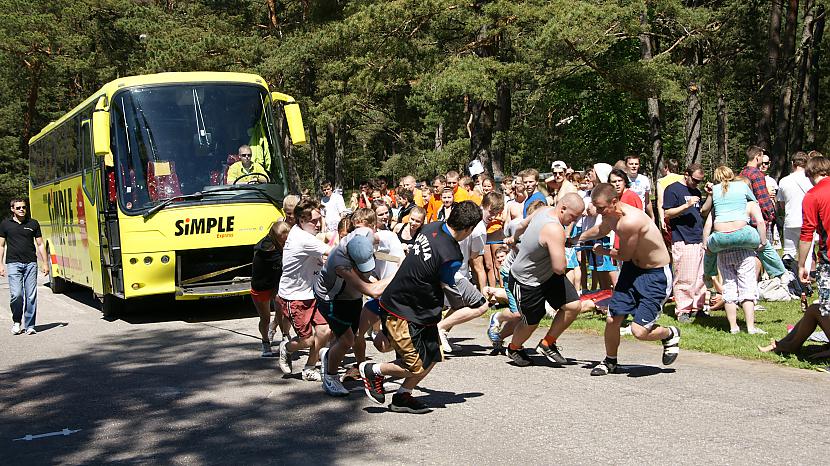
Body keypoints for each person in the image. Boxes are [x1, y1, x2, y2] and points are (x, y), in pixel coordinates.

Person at [359, 201, 483, 414]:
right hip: (402, 310)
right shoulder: (452, 256)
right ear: (469, 229)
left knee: (433, 354)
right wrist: (468, 300)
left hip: (420, 310)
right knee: (413, 365)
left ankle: (402, 396)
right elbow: (449, 287)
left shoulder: (431, 226)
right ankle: (372, 370)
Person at [578, 183, 681, 376]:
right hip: (632, 270)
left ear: (614, 202)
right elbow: (600, 229)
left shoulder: (630, 221)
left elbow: (623, 255)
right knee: (612, 318)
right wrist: (577, 238)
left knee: (639, 332)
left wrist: (603, 251)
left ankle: (670, 333)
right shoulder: (610, 215)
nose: (598, 212)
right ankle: (610, 361)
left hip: (655, 275)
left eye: (601, 207)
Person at [502, 194, 586, 366]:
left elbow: (522, 225)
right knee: (531, 321)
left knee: (573, 306)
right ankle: (513, 348)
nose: (573, 222)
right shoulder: (555, 229)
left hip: (547, 275)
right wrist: (560, 246)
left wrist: (515, 237)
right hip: (526, 280)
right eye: (572, 217)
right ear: (562, 208)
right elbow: (560, 268)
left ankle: (547, 343)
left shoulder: (544, 210)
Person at [759, 155, 830, 359]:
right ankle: (786, 345)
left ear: (809, 174)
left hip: (828, 259)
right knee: (815, 310)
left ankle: (787, 345)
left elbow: (807, 234)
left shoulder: (813, 196)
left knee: (821, 309)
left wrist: (801, 264)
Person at [315, 226, 392, 396]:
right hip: (332, 299)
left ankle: (361, 369)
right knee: (346, 340)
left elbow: (379, 242)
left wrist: (394, 254)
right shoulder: (341, 264)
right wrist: (398, 273)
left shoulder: (364, 234)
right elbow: (371, 291)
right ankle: (330, 377)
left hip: (351, 295)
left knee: (356, 336)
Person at [702, 166, 767, 334]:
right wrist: (762, 242)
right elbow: (759, 218)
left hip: (723, 246)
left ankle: (733, 327)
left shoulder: (716, 194)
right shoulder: (743, 189)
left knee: (729, 286)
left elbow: (707, 222)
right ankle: (751, 327)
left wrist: (706, 244)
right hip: (743, 247)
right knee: (747, 285)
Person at [277, 199, 332, 381]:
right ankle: (286, 348)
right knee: (307, 340)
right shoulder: (303, 238)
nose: (318, 224)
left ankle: (310, 367)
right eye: (313, 221)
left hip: (312, 292)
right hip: (295, 297)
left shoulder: (303, 232)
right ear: (301, 220)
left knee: (324, 331)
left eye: (319, 219)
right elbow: (333, 252)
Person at [436, 194, 494, 353]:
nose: (494, 216)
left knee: (458, 304)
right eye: (492, 211)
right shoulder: (480, 229)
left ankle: (441, 334)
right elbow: (476, 260)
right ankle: (439, 330)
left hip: (452, 268)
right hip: (456, 271)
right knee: (477, 304)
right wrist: (483, 289)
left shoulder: (458, 221)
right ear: (484, 207)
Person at [663, 164, 712, 322]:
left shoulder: (696, 191)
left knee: (699, 277)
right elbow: (667, 213)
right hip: (682, 238)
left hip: (697, 238)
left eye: (700, 182)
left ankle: (697, 307)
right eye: (695, 180)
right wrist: (686, 205)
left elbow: (702, 212)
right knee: (684, 277)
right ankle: (683, 310)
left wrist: (709, 196)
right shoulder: (672, 189)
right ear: (686, 174)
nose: (697, 184)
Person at [740, 146, 789, 282]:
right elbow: (763, 200)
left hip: (745, 219)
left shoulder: (742, 173)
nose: (763, 161)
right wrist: (771, 216)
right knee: (760, 251)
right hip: (758, 220)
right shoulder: (757, 175)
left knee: (749, 253)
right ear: (757, 157)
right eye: (762, 157)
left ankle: (749, 282)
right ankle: (755, 282)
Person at [0, 199, 48, 335]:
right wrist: (0, 265)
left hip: (31, 263)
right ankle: (16, 321)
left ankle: (30, 325)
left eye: (24, 207)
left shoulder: (33, 223)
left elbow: (40, 244)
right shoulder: (5, 224)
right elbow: (1, 245)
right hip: (13, 263)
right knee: (17, 295)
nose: (22, 209)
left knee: (31, 296)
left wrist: (45, 263)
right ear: (12, 209)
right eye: (18, 207)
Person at [776, 152, 813, 295]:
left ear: (793, 164)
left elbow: (781, 204)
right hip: (807, 220)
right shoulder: (810, 180)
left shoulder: (784, 181)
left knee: (789, 253)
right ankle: (806, 282)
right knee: (808, 253)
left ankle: (790, 282)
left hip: (790, 219)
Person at [251, 221, 290, 356]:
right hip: (261, 286)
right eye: (282, 241)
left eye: (287, 240)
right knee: (265, 318)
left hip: (276, 282)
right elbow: (285, 261)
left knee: (282, 310)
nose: (285, 243)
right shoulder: (267, 249)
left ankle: (284, 336)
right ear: (274, 236)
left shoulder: (281, 245)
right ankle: (265, 341)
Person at [655, 158, 685, 233]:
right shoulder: (683, 178)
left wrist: (661, 219)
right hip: (683, 213)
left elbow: (660, 201)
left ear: (666, 168)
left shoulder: (661, 181)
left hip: (669, 214)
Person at [624, 155, 654, 219]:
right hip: (625, 215)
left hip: (640, 215)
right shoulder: (622, 179)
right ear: (626, 165)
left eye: (636, 164)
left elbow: (647, 200)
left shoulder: (644, 179)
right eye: (631, 164)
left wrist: (652, 216)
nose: (634, 166)